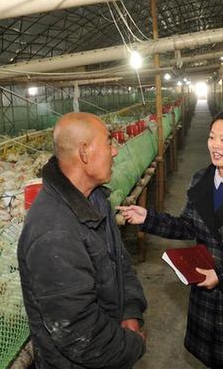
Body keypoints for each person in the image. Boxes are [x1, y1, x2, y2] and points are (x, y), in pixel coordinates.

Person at [118, 108, 223, 369]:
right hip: (206, 297)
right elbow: (187, 226)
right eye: (212, 137)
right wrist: (148, 218)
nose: (215, 146)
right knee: (212, 360)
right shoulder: (202, 179)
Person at [18, 112, 147, 369]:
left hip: (111, 345)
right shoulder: (54, 233)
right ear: (85, 153)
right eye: (109, 143)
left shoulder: (96, 199)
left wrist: (130, 311)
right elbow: (79, 334)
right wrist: (133, 344)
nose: (115, 152)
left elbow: (121, 263)